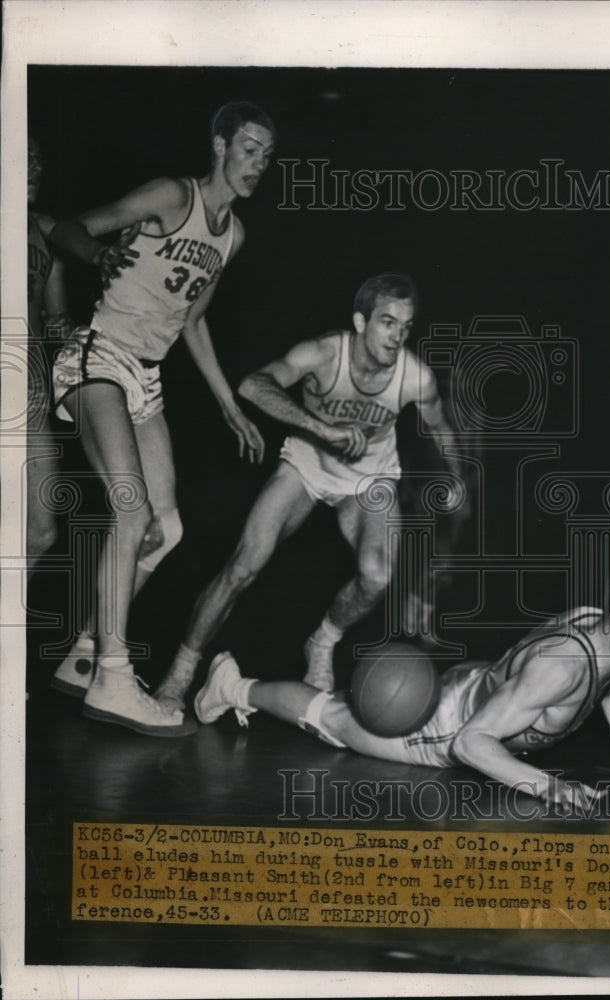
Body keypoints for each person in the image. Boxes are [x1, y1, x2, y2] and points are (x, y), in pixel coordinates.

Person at [47, 101, 273, 736]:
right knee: (130, 510)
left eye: (267, 154)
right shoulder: (173, 196)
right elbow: (67, 227)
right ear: (220, 146)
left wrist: (231, 407)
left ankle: (86, 655)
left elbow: (192, 322)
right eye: (250, 147)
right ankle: (114, 679)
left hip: (145, 376)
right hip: (98, 356)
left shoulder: (233, 235)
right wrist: (96, 258)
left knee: (165, 529)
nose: (259, 162)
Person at [155, 272, 463, 709]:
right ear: (360, 322)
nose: (397, 336)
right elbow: (252, 384)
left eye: (406, 326)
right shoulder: (321, 353)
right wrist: (321, 427)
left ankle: (321, 642)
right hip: (306, 466)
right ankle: (179, 673)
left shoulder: (416, 377)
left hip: (368, 479)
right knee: (243, 567)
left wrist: (454, 473)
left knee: (377, 576)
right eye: (387, 322)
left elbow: (441, 428)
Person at [191, 554, 610, 810]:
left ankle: (238, 685)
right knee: (333, 718)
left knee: (338, 712)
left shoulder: (600, 625)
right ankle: (234, 686)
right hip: (444, 726)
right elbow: (471, 743)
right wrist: (550, 786)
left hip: (477, 684)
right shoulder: (563, 668)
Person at [26, 136, 72, 568]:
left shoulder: (42, 231)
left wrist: (64, 331)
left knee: (41, 531)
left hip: (30, 394)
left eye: (39, 160)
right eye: (23, 157)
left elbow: (59, 324)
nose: (34, 167)